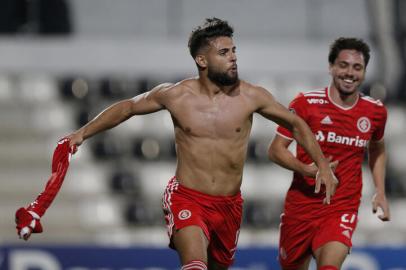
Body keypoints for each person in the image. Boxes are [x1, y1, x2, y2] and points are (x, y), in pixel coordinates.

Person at [20, 18, 337, 270]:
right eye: (224, 53)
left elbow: (295, 122)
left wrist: (321, 163)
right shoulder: (176, 95)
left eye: (234, 51)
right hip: (188, 199)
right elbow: (128, 107)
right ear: (202, 59)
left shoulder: (251, 96)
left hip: (230, 206)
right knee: (194, 265)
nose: (233, 58)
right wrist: (81, 133)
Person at [269, 37, 391, 270]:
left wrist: (381, 191)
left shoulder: (375, 111)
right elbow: (275, 150)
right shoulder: (306, 103)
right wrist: (306, 169)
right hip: (301, 207)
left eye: (357, 67)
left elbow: (377, 147)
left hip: (341, 206)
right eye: (343, 65)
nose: (350, 73)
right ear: (331, 67)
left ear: (364, 72)